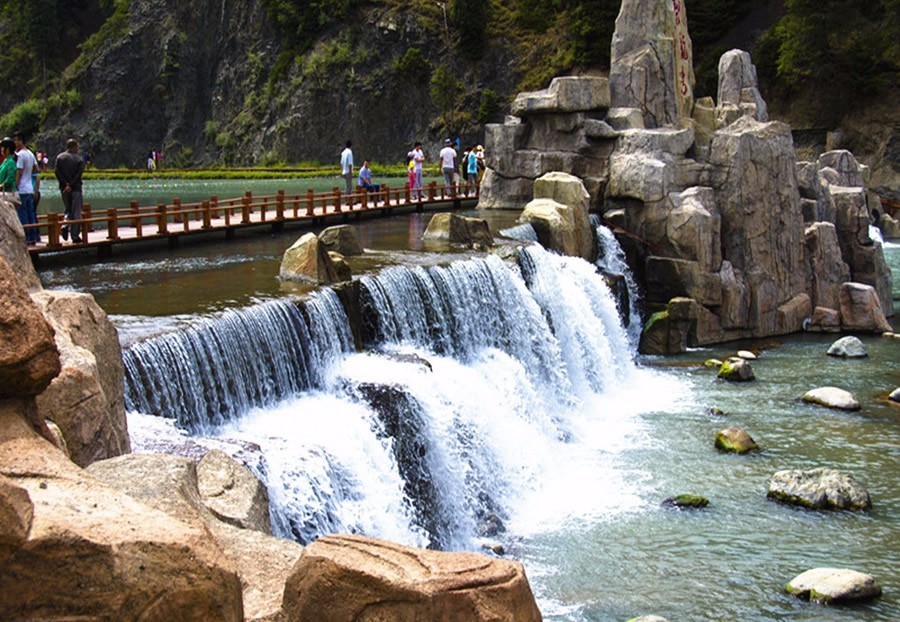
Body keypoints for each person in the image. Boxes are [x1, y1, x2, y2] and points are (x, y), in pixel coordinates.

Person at [55, 138, 85, 243]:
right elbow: (78, 175)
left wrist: (65, 185)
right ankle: (75, 236)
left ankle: (65, 224)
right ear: (74, 147)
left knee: (68, 209)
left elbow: (57, 172)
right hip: (76, 188)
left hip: (64, 189)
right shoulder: (79, 159)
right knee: (76, 212)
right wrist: (71, 185)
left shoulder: (59, 157)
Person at [13, 131, 40, 245]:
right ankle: (33, 237)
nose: (15, 142)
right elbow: (36, 169)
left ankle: (27, 238)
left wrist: (15, 187)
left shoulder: (20, 155)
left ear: (21, 140)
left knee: (23, 214)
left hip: (22, 189)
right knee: (31, 213)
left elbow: (18, 172)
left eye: (16, 140)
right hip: (30, 188)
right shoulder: (30, 153)